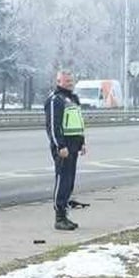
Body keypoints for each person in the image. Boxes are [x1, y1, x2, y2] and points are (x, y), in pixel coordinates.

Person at [44, 70, 87, 231]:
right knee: (62, 180)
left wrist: (82, 142)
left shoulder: (73, 99)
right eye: (66, 81)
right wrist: (59, 146)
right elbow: (53, 127)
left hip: (74, 145)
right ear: (58, 81)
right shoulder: (56, 100)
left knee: (69, 182)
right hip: (63, 146)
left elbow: (78, 122)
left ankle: (65, 215)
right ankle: (59, 217)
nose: (70, 83)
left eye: (71, 80)